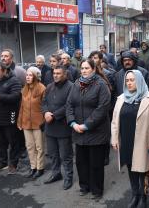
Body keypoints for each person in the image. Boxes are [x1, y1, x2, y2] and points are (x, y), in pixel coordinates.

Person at [111, 70, 149, 208]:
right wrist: (114, 139)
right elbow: (115, 121)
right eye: (127, 80)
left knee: (143, 170)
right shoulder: (121, 98)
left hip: (144, 141)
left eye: (132, 80)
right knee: (131, 168)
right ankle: (135, 195)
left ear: (139, 80)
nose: (129, 83)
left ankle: (143, 197)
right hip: (126, 140)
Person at [66, 59, 111, 201]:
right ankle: (84, 186)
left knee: (96, 163)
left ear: (93, 69)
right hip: (78, 130)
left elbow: (102, 109)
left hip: (96, 132)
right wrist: (73, 123)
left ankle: (97, 190)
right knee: (81, 162)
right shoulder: (76, 84)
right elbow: (69, 105)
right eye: (82, 68)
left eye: (86, 68)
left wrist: (86, 125)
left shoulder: (101, 85)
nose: (83, 70)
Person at [42, 65, 74, 190]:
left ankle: (68, 177)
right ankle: (56, 174)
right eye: (54, 73)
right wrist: (45, 113)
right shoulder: (49, 87)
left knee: (66, 155)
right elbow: (43, 102)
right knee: (53, 154)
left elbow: (69, 106)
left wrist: (54, 115)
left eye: (58, 73)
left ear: (65, 74)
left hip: (63, 127)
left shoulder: (71, 87)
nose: (55, 75)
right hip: (50, 127)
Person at [0, 63, 22, 174]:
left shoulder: (14, 81)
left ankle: (13, 164)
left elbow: (16, 96)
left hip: (10, 116)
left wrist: (0, 97)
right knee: (0, 142)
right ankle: (2, 162)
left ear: (5, 71)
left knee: (13, 141)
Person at [17, 67, 46, 179]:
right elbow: (22, 107)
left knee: (39, 147)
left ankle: (40, 168)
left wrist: (44, 121)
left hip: (38, 122)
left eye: (30, 75)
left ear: (35, 76)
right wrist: (19, 121)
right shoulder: (24, 89)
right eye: (27, 75)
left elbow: (45, 106)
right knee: (29, 146)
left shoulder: (42, 88)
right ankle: (33, 167)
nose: (27, 77)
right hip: (26, 122)